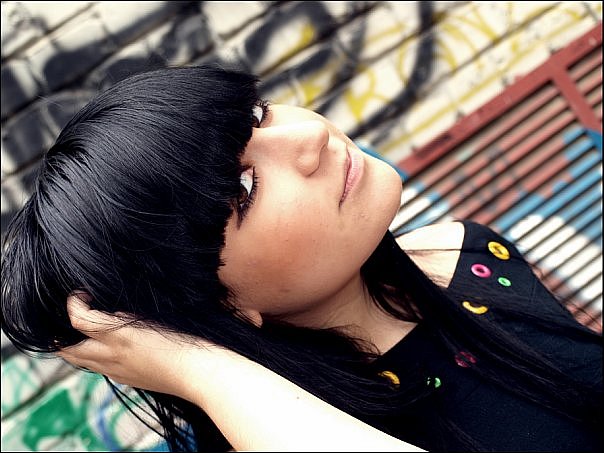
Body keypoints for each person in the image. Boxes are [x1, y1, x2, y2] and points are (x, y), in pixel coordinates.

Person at [1, 64, 601, 452]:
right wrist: (199, 366)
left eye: (257, 114)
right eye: (244, 188)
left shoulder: (464, 252)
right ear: (218, 302)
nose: (310, 137)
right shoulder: (279, 432)